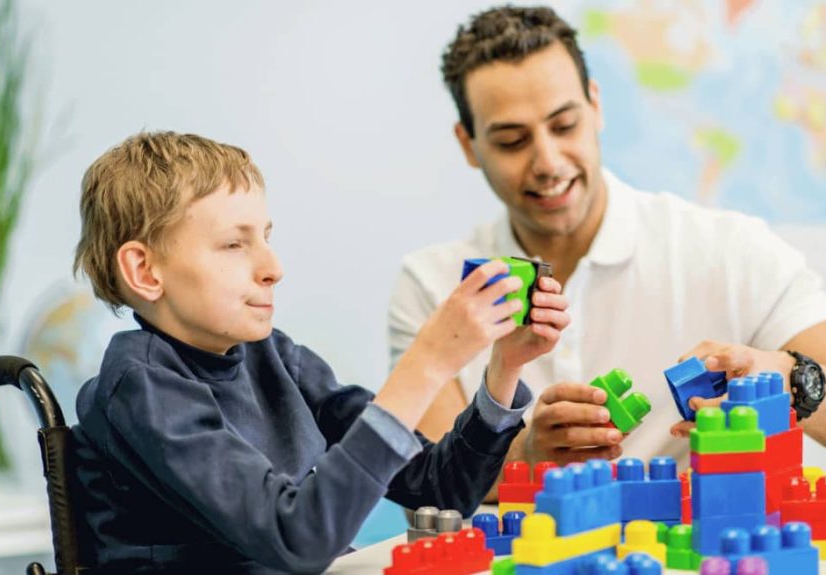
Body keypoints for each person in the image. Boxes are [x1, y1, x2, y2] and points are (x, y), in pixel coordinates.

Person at [388, 6, 826, 479]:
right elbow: (425, 478)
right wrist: (525, 454)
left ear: (595, 105)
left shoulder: (728, 250)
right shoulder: (434, 283)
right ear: (468, 144)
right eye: (512, 140)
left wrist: (788, 379)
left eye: (565, 124)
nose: (548, 162)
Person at [69, 131, 570, 574]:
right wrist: (429, 362)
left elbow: (440, 491)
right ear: (145, 271)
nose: (273, 267)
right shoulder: (140, 386)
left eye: (265, 237)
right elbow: (295, 539)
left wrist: (506, 365)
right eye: (233, 245)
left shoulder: (273, 356)